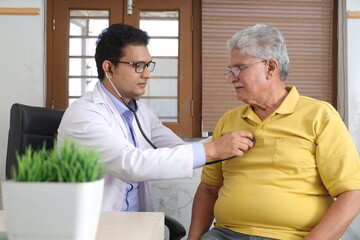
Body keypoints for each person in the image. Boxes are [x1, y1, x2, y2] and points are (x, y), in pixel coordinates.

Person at [57, 23, 254, 212]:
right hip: (93, 228)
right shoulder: (84, 115)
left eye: (148, 65)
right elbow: (130, 164)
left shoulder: (140, 112)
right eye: (138, 66)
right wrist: (214, 148)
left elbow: (179, 150)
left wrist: (227, 136)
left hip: (135, 226)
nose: (147, 75)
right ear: (109, 69)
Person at [188, 24, 360, 240]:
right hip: (225, 234)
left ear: (270, 67)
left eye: (239, 69)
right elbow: (209, 189)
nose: (230, 79)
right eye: (230, 71)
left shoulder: (320, 116)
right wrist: (193, 238)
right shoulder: (228, 120)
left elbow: (352, 193)